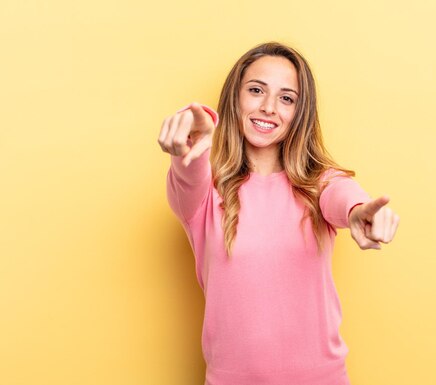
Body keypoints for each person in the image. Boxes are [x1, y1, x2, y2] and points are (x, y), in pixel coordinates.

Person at [158, 42, 399, 385]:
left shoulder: (319, 184)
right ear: (234, 98)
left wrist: (360, 212)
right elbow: (189, 167)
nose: (269, 107)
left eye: (287, 98)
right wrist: (196, 129)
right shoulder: (204, 194)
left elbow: (343, 197)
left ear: (300, 111)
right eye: (256, 91)